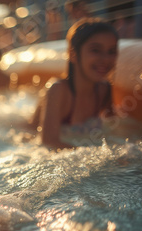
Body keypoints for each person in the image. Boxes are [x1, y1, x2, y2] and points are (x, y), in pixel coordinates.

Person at [29, 18, 119, 149]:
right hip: (27, 137)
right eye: (95, 50)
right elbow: (49, 142)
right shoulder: (58, 90)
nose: (105, 59)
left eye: (111, 51)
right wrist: (96, 157)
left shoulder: (104, 90)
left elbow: (113, 128)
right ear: (73, 54)